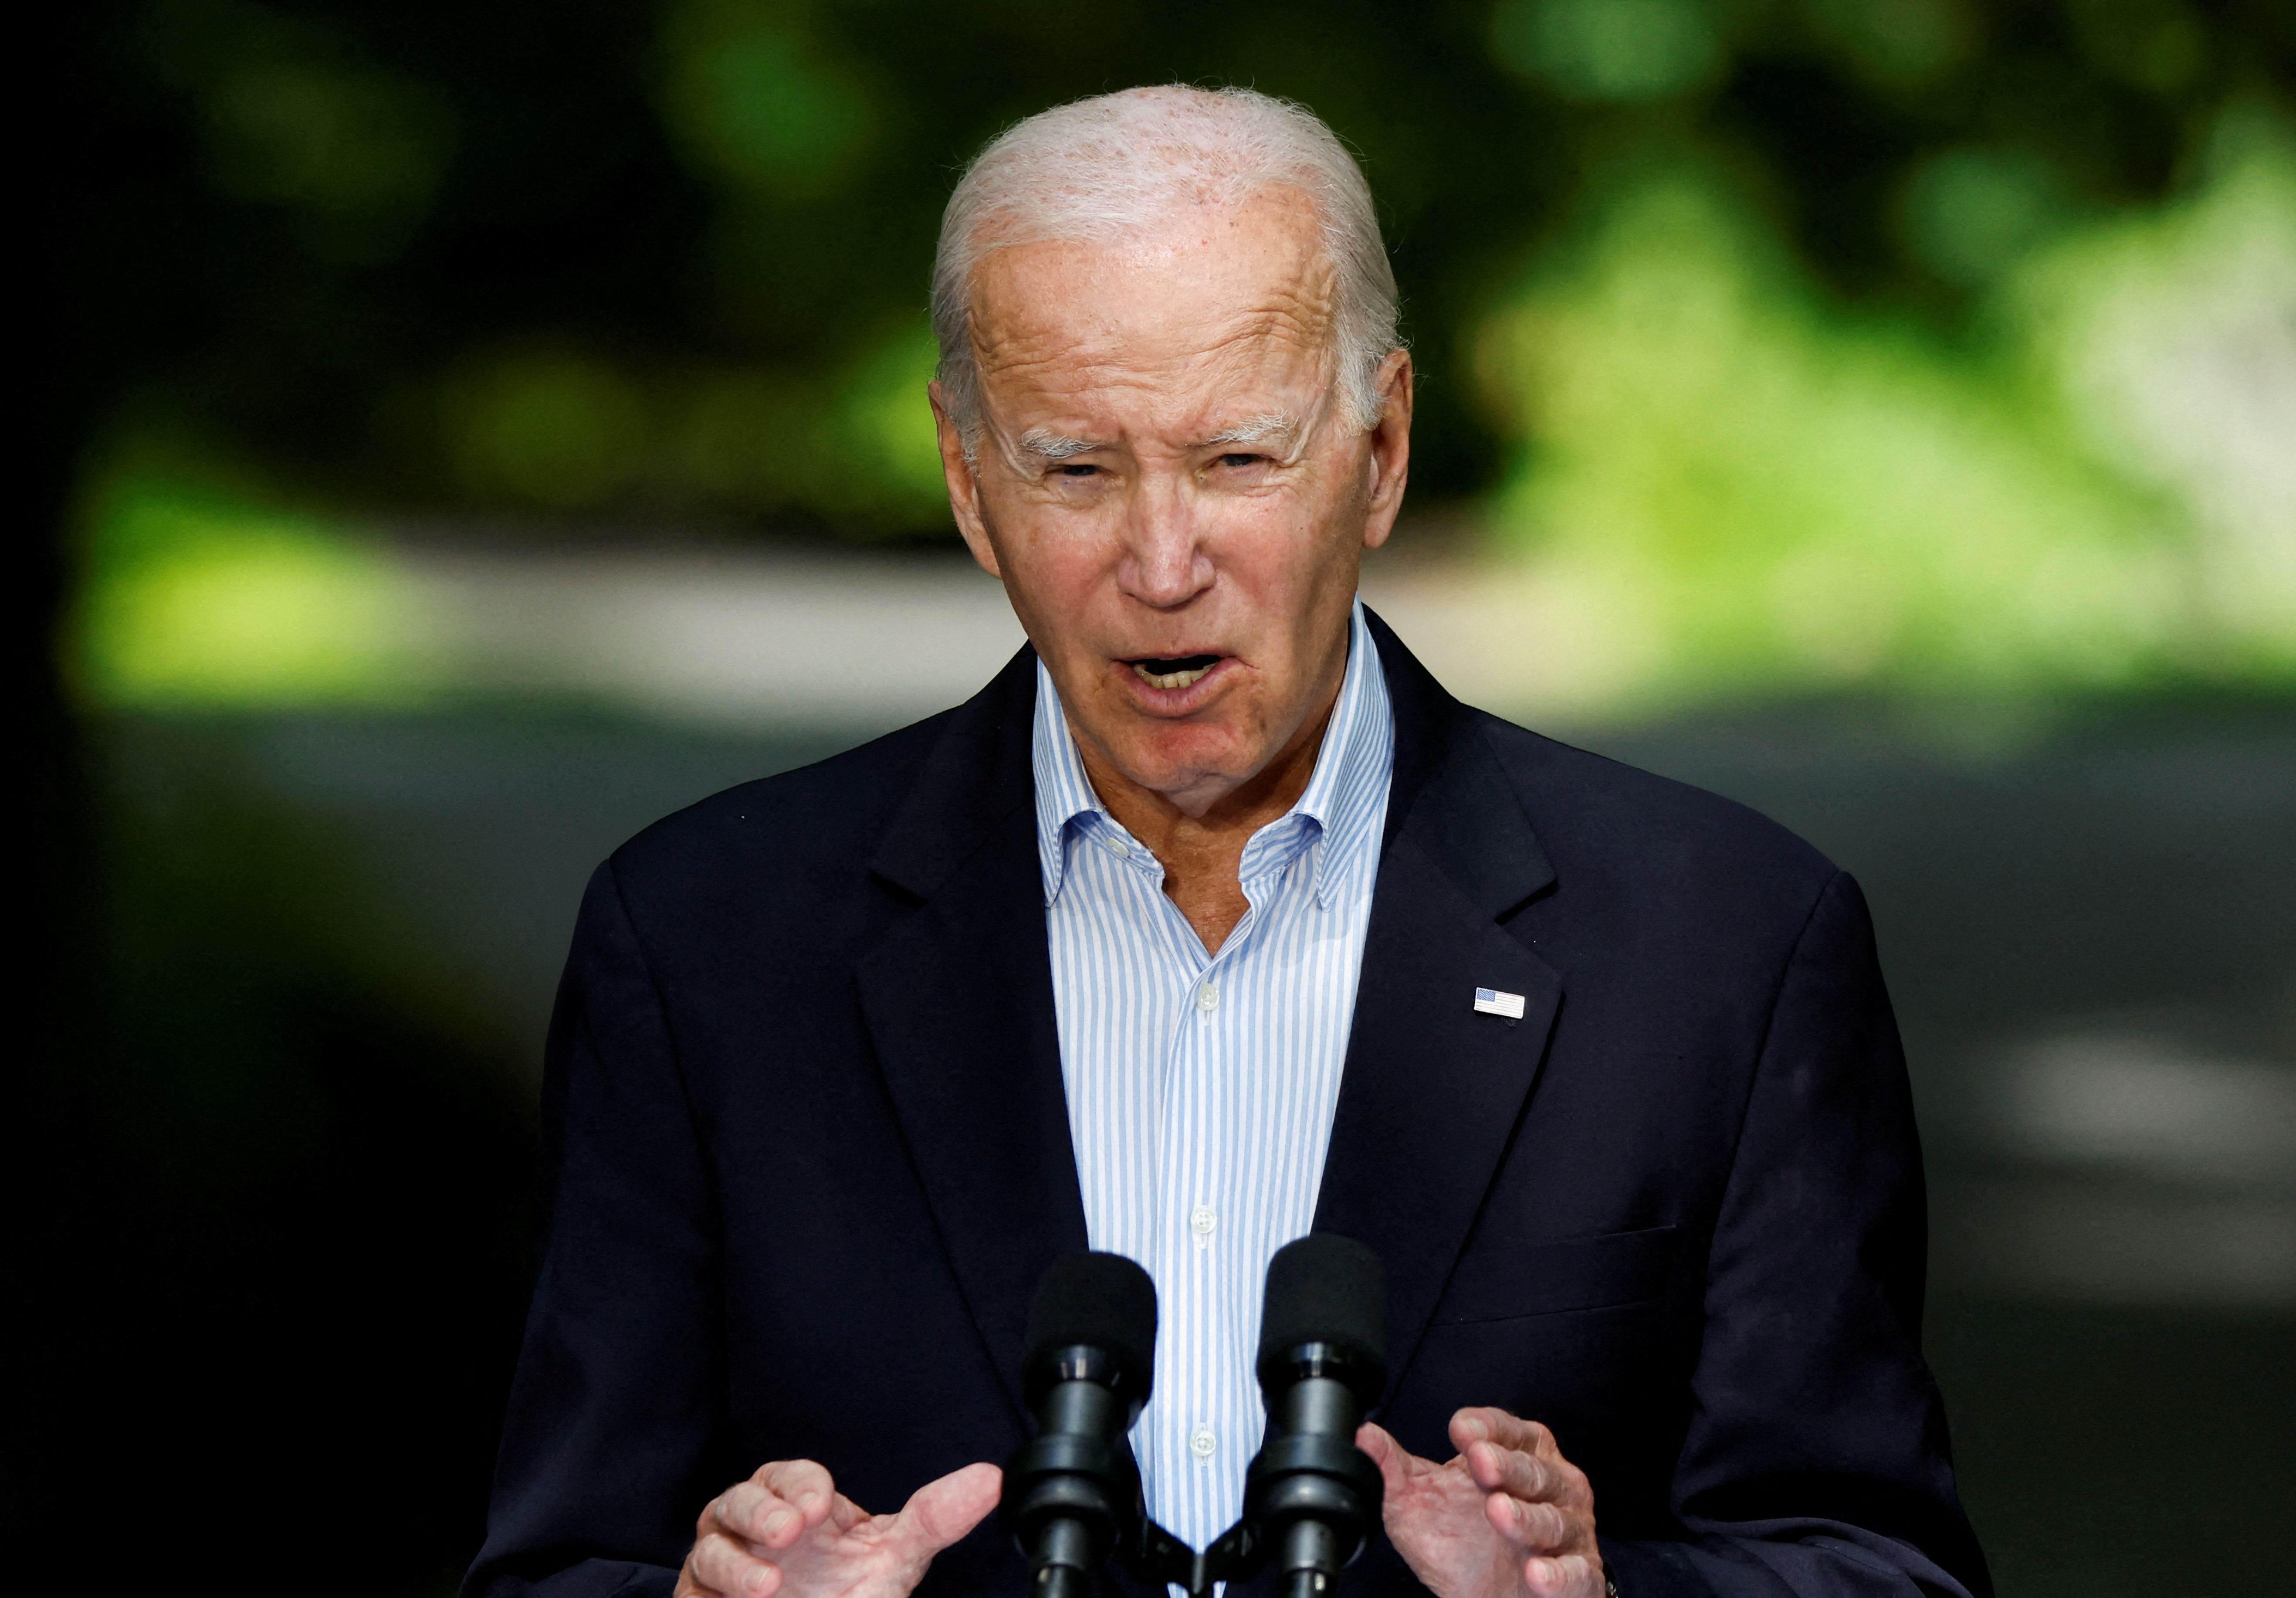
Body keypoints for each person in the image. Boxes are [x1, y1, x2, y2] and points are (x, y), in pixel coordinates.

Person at [464, 86, 1988, 1598]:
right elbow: (560, 1563)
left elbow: (1877, 1564)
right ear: (966, 478)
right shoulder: (705, 945)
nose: (1162, 561)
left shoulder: (1724, 943)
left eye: (1238, 462)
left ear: (1380, 449)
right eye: (1076, 468)